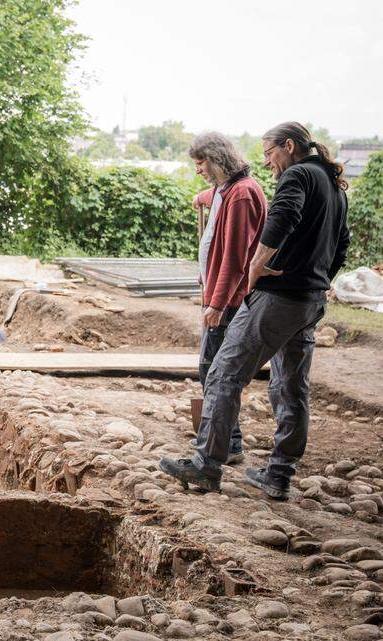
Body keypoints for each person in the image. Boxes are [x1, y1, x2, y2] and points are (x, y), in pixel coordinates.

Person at [162, 122, 349, 500]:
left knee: (223, 373)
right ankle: (279, 475)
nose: (266, 162)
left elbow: (282, 217)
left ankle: (206, 465)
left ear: (289, 146)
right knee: (291, 387)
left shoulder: (297, 175)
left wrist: (256, 266)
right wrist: (318, 280)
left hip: (278, 298)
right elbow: (342, 243)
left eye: (269, 153)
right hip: (309, 301)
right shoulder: (333, 184)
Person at [186, 132, 268, 464]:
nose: (198, 169)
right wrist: (203, 196)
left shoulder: (242, 195)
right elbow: (217, 196)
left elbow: (235, 258)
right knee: (214, 368)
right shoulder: (227, 189)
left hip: (231, 301)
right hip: (222, 298)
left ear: (218, 159)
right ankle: (222, 439)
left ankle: (228, 443)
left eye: (201, 163)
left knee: (215, 370)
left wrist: (217, 303)